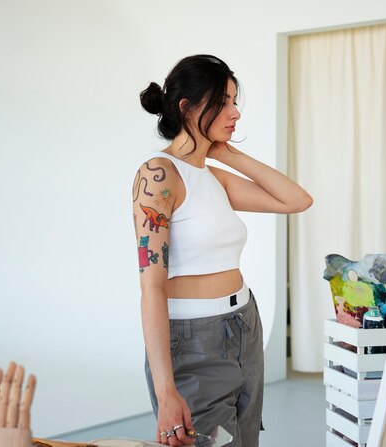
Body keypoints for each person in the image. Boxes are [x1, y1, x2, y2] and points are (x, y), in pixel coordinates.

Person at [133, 54, 312, 447]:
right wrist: (166, 391)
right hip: (194, 340)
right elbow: (151, 288)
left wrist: (227, 153)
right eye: (224, 102)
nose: (236, 113)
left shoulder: (211, 175)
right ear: (187, 108)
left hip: (243, 324)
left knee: (245, 440)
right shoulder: (160, 175)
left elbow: (296, 200)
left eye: (235, 101)